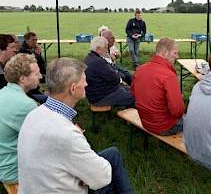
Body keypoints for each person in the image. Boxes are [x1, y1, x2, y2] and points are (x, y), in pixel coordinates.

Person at [18, 57, 133, 194]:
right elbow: (102, 179)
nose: (86, 84)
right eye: (84, 80)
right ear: (73, 88)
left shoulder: (35, 113)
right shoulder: (66, 134)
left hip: (37, 185)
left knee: (112, 154)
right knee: (110, 174)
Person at [0, 54, 40, 187]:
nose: (40, 77)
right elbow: (44, 140)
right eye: (36, 73)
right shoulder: (26, 104)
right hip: (15, 171)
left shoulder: (4, 92)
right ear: (23, 79)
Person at [131, 37, 184, 135]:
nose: (177, 57)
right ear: (164, 53)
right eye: (175, 53)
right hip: (164, 126)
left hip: (146, 121)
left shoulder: (140, 69)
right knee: (198, 123)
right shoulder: (168, 76)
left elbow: (134, 94)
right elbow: (177, 111)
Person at [85, 36, 134, 107]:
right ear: (98, 49)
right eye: (105, 48)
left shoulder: (89, 58)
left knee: (132, 90)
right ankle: (137, 116)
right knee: (136, 97)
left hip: (98, 93)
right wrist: (116, 72)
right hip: (101, 97)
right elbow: (115, 79)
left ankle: (129, 112)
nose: (107, 51)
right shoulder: (98, 62)